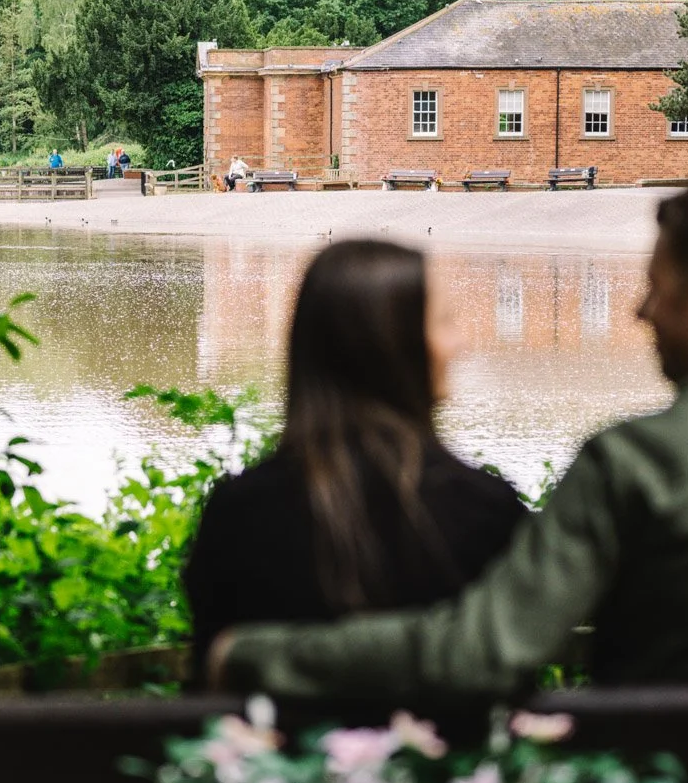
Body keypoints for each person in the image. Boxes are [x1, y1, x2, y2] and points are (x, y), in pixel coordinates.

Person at [211, 174, 688, 696]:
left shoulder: (637, 464)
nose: (640, 312)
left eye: (655, 287)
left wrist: (256, 653)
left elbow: (483, 650)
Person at [184, 240, 528, 678]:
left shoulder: (239, 513)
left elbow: (212, 677)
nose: (460, 344)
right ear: (393, 344)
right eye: (445, 321)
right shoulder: (484, 509)